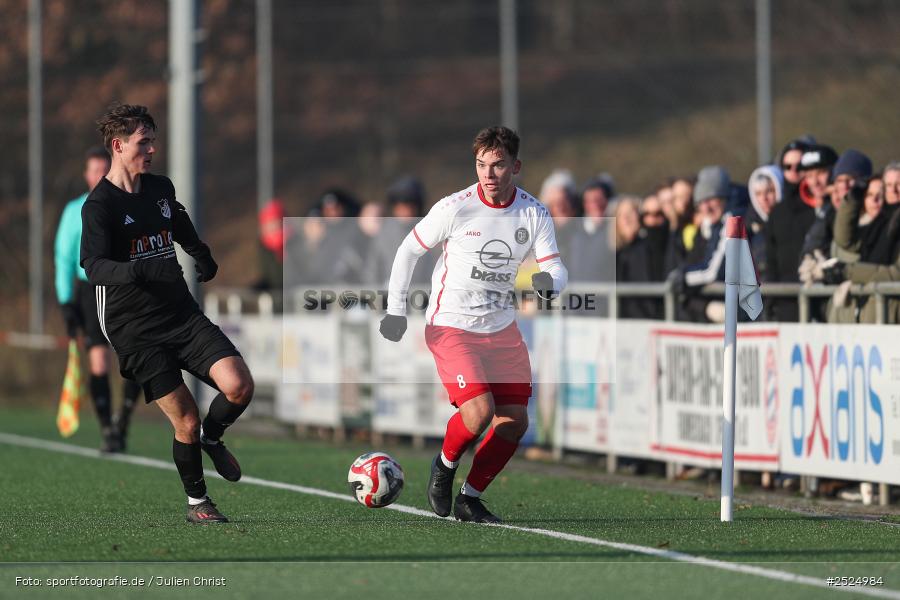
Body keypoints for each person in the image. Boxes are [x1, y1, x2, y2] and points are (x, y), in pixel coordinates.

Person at [379, 126, 567, 523]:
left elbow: (554, 265)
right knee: (479, 412)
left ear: (515, 166)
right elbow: (409, 249)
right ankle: (444, 467)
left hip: (501, 329)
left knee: (514, 422)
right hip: (452, 326)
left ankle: (470, 497)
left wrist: (550, 282)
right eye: (481, 165)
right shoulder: (456, 206)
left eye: (498, 165)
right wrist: (396, 309)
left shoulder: (533, 212)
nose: (488, 173)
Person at [80, 104, 254, 524]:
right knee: (187, 418)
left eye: (153, 140)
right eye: (144, 142)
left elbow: (177, 222)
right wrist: (138, 269)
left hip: (181, 315)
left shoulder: (159, 187)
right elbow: (94, 265)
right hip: (134, 329)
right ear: (119, 146)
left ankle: (215, 439)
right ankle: (198, 503)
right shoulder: (99, 205)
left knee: (239, 386)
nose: (153, 149)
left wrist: (201, 254)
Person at [55, 146, 142, 452]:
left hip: (125, 288)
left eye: (103, 169)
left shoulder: (128, 204)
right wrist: (66, 302)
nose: (99, 176)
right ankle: (108, 428)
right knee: (99, 359)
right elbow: (64, 258)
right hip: (90, 290)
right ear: (86, 175)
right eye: (93, 170)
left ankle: (124, 419)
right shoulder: (74, 211)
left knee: (135, 357)